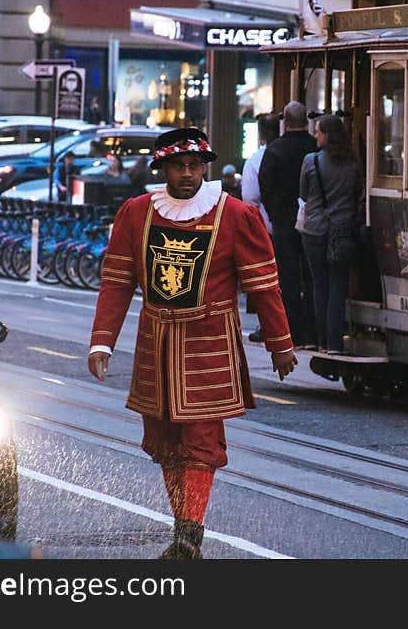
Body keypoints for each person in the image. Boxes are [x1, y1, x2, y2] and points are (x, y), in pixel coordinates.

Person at [87, 128, 297, 559]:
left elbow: (264, 285)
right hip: (156, 342)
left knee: (200, 440)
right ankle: (182, 524)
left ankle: (188, 537)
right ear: (163, 168)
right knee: (166, 441)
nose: (187, 174)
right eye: (179, 166)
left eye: (195, 166)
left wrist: (280, 343)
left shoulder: (236, 215)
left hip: (208, 344)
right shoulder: (136, 212)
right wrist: (101, 342)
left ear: (205, 168)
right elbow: (117, 281)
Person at [258, 100, 318, 347]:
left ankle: (293, 329)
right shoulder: (315, 147)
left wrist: (275, 214)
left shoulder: (275, 150)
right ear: (306, 121)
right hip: (314, 221)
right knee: (313, 276)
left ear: (286, 122)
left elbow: (265, 185)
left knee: (288, 277)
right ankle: (315, 330)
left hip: (284, 221)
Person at [299, 115, 359, 354]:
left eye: (318, 132)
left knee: (319, 285)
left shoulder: (311, 161)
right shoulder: (352, 163)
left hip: (314, 229)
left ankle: (322, 340)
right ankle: (335, 342)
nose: (316, 136)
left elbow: (303, 194)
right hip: (341, 230)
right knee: (337, 286)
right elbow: (356, 193)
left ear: (327, 135)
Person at [241, 112, 279, 342]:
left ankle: (267, 325)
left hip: (266, 225)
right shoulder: (302, 152)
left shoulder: (257, 159)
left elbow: (250, 196)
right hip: (298, 225)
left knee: (266, 278)